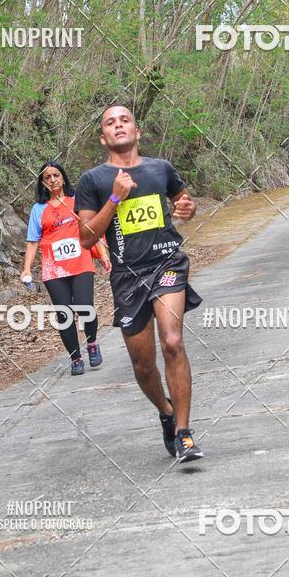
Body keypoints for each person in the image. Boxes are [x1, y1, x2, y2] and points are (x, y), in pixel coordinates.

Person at [75, 105, 204, 463]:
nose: (119, 125)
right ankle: (165, 411)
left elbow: (183, 201)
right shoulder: (93, 180)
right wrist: (115, 198)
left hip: (167, 263)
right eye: (110, 123)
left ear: (137, 130)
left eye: (125, 119)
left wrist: (186, 209)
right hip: (127, 275)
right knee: (143, 365)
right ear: (103, 138)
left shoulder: (160, 169)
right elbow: (85, 239)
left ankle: (184, 433)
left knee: (173, 341)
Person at [21, 160, 111, 376]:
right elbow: (33, 241)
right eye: (47, 177)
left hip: (81, 263)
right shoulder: (38, 210)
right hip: (54, 270)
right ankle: (75, 357)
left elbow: (92, 229)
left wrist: (103, 254)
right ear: (42, 183)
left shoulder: (77, 201)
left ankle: (92, 342)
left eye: (56, 175)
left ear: (63, 177)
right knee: (64, 314)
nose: (53, 180)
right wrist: (26, 269)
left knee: (84, 306)